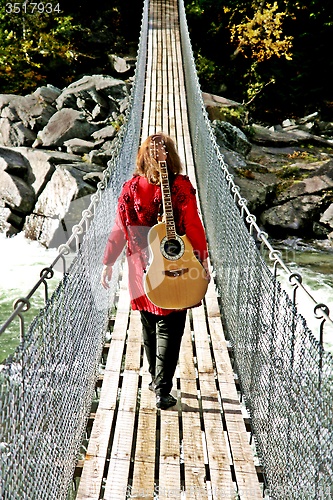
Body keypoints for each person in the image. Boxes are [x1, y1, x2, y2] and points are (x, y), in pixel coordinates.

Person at [101, 132, 210, 410]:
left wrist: (108, 262)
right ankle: (162, 387)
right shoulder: (181, 186)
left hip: (141, 267)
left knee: (149, 324)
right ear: (171, 156)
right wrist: (202, 260)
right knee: (171, 329)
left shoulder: (130, 188)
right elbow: (193, 225)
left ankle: (156, 380)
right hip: (176, 264)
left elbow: (120, 229)